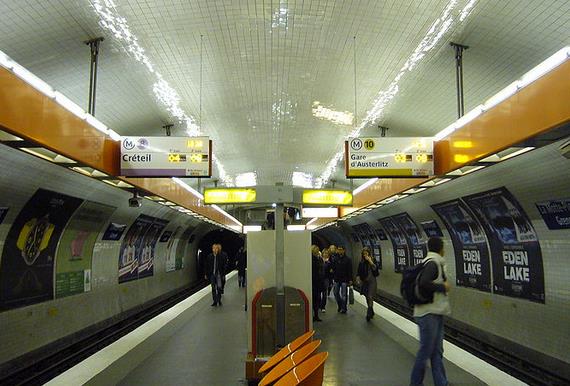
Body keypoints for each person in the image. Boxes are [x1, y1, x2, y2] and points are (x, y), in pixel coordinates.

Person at [410, 237, 451, 386]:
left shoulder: (431, 262)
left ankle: (442, 382)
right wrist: (443, 287)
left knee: (436, 352)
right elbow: (424, 282)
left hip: (435, 312)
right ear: (441, 249)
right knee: (426, 351)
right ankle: (415, 383)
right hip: (428, 314)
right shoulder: (433, 264)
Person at [356, 247, 379, 321]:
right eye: (364, 253)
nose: (365, 255)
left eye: (366, 253)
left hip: (372, 281)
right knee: (366, 296)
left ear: (369, 253)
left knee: (370, 296)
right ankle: (371, 311)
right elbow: (358, 271)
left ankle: (368, 314)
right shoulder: (361, 262)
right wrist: (358, 277)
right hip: (365, 281)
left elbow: (376, 270)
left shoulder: (373, 260)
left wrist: (370, 261)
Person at [332, 246, 352, 314]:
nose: (339, 251)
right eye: (338, 249)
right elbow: (333, 268)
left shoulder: (348, 259)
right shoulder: (335, 259)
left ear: (344, 250)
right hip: (337, 278)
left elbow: (350, 270)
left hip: (344, 279)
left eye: (341, 250)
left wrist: (350, 279)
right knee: (335, 293)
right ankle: (340, 305)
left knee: (344, 295)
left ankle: (344, 308)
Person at [311, 245, 324, 322]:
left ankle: (316, 315)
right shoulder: (311, 259)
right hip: (314, 281)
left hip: (319, 281)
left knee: (318, 298)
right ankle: (314, 315)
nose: (317, 251)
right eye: (315, 250)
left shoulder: (320, 259)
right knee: (315, 298)